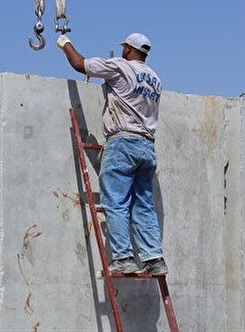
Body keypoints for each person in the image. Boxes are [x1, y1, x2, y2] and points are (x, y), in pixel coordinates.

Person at [56, 32, 167, 276]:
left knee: (115, 202)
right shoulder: (155, 79)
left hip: (123, 143)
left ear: (128, 49)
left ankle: (123, 258)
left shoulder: (120, 67)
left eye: (124, 48)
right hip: (147, 145)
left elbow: (79, 64)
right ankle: (153, 258)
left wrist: (65, 44)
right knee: (143, 204)